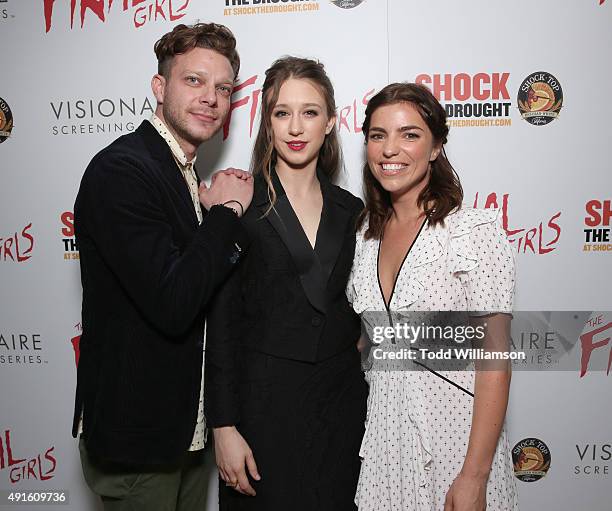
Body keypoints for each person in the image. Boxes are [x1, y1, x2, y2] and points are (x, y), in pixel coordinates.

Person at [72, 23, 253, 511]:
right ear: (160, 87)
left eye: (223, 89)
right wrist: (227, 214)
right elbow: (174, 302)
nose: (210, 99)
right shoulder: (122, 170)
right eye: (194, 81)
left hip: (186, 435)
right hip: (140, 443)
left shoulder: (185, 178)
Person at [204, 56, 367, 511]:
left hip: (340, 411)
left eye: (310, 112)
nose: (296, 127)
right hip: (262, 413)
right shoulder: (240, 202)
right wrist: (223, 427)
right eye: (282, 112)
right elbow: (220, 325)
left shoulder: (351, 210)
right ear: (267, 123)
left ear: (331, 122)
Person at [347, 83, 519, 511]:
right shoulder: (365, 237)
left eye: (410, 134)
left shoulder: (472, 232)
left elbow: (494, 362)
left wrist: (474, 477)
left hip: (456, 444)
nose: (391, 149)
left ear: (437, 145)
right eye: (377, 135)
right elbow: (368, 345)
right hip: (385, 447)